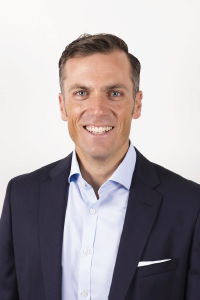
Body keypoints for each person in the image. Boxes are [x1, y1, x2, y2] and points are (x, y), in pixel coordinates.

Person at [0, 33, 200, 300]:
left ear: (137, 104)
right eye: (81, 93)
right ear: (63, 106)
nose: (97, 110)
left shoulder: (189, 204)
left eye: (114, 93)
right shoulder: (21, 196)